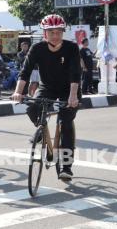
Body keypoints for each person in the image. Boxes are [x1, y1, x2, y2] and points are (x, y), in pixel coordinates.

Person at [11, 14, 81, 180]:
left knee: (66, 124)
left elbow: (75, 74)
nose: (55, 36)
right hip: (47, 87)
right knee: (32, 107)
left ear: (63, 32)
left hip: (68, 89)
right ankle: (42, 130)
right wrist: (18, 92)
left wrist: (72, 97)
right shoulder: (37, 49)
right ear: (45, 33)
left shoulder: (71, 48)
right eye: (51, 32)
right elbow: (25, 71)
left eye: (59, 32)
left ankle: (66, 167)